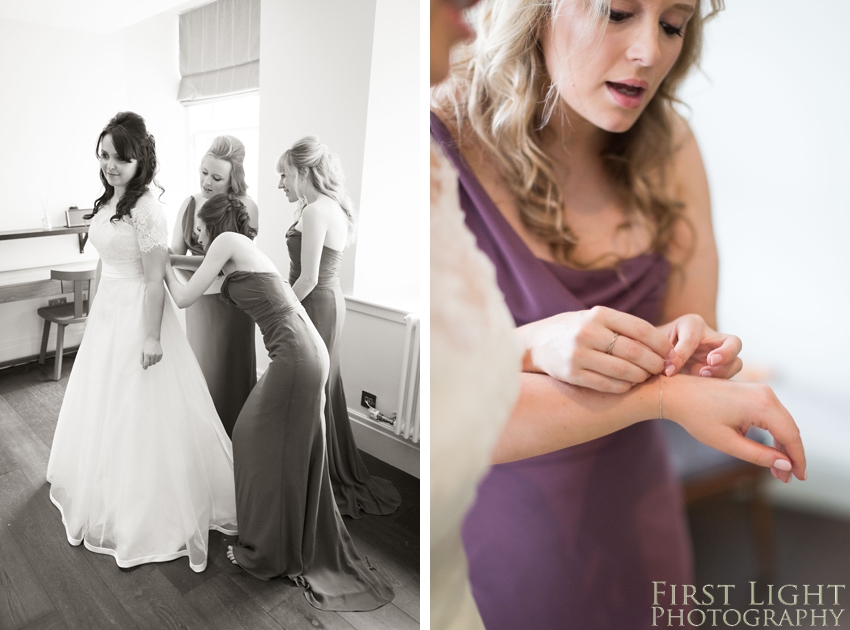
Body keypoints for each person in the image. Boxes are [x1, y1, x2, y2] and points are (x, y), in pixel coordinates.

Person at [430, 0, 806, 628]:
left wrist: (695, 353)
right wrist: (531, 344)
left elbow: (692, 365)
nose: (649, 52)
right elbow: (447, 411)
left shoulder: (671, 146)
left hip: (639, 522)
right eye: (619, 12)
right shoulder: (440, 144)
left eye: (672, 24)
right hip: (497, 546)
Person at [163, 193, 394, 612]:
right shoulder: (239, 249)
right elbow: (205, 277)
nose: (194, 235)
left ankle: (266, 552)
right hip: (306, 352)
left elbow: (183, 298)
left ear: (212, 223)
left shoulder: (225, 242)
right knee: (278, 449)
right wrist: (171, 262)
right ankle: (280, 543)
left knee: (250, 439)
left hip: (296, 357)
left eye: (197, 227)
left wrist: (159, 263)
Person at [46, 111, 238, 573]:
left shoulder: (149, 210)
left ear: (140, 161)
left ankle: (143, 508)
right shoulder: (109, 200)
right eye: (105, 155)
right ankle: (104, 488)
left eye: (120, 158)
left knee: (139, 407)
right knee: (104, 402)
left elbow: (155, 282)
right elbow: (103, 260)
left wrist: (152, 336)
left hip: (138, 314)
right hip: (109, 311)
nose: (110, 165)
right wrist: (94, 308)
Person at [276, 137, 402, 518]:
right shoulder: (317, 207)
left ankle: (317, 473)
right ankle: (314, 466)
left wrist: (276, 310)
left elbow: (309, 278)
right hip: (326, 302)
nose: (280, 183)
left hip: (316, 303)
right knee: (321, 385)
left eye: (283, 175)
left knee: (314, 385)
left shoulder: (316, 212)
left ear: (303, 172)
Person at [170, 135, 258, 436]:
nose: (207, 182)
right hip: (200, 302)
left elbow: (241, 261)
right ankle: (205, 444)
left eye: (217, 177)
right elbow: (174, 257)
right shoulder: (189, 204)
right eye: (203, 172)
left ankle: (238, 442)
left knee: (231, 373)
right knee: (202, 373)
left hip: (233, 304)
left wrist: (203, 268)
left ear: (233, 180)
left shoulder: (247, 206)